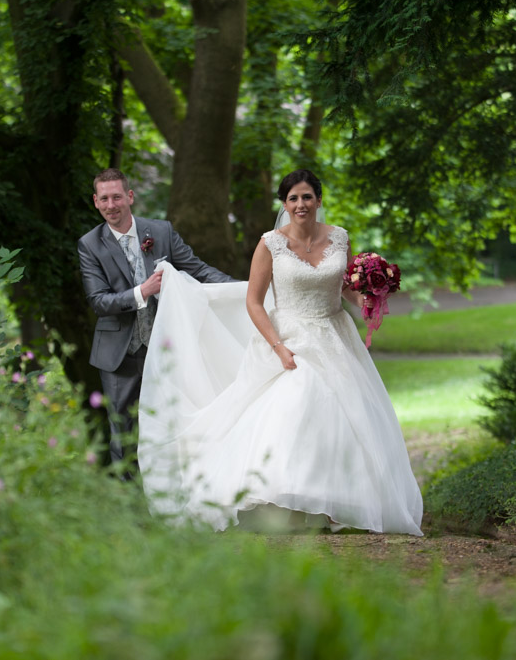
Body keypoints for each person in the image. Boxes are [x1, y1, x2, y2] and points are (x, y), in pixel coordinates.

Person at [138, 169, 423, 534]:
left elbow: (344, 288)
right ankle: (286, 500)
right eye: (293, 198)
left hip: (334, 336)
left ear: (318, 200)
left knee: (342, 415)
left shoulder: (339, 238)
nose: (300, 204)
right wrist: (279, 347)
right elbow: (254, 302)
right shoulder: (270, 244)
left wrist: (369, 298)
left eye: (307, 197)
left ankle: (331, 502)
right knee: (297, 404)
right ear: (284, 204)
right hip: (288, 338)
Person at [78, 168, 235, 471]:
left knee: (175, 423)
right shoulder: (90, 244)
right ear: (96, 202)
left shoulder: (160, 232)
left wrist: (245, 289)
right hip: (120, 355)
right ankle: (127, 496)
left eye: (117, 197)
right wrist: (143, 290)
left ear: (130, 196)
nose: (111, 205)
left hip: (166, 349)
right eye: (104, 199)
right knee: (124, 434)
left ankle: (175, 488)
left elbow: (199, 270)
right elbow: (99, 301)